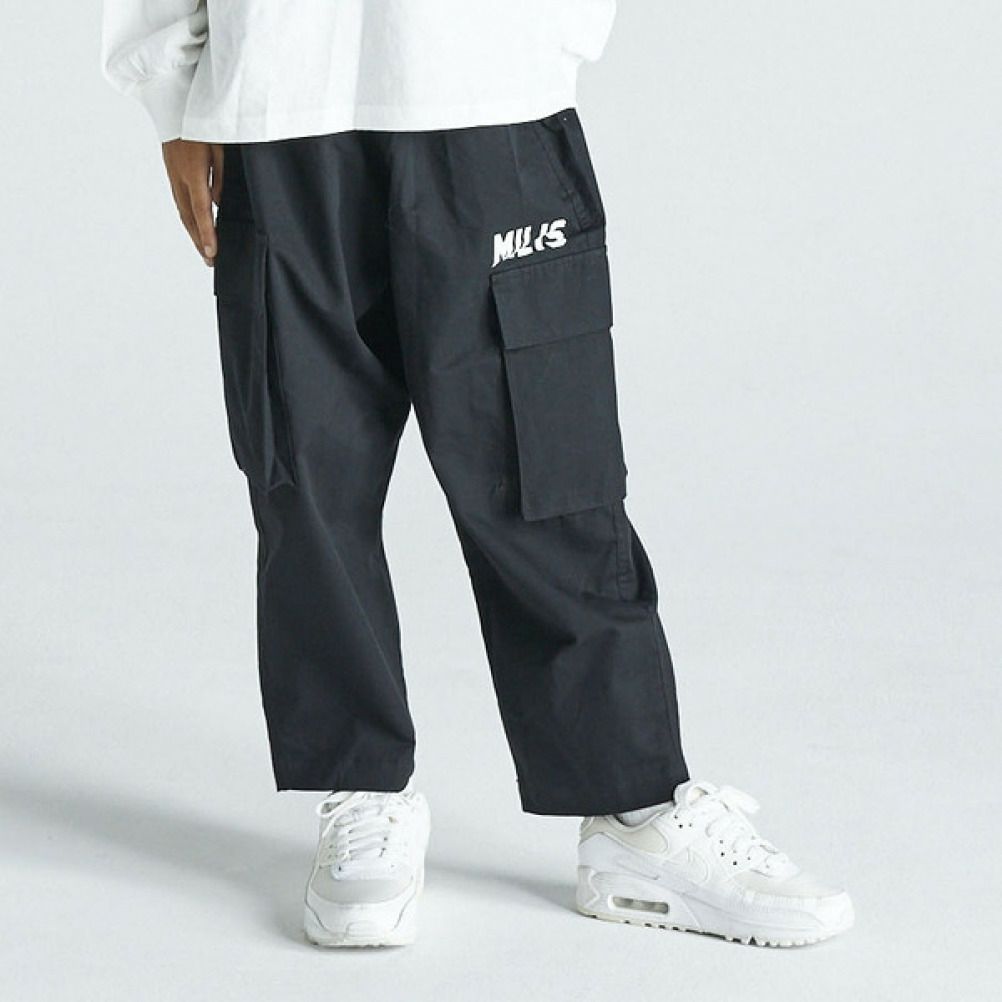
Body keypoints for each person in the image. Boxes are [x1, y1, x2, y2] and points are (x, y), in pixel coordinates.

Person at [101, 0, 853, 949]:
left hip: (488, 85)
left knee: (548, 474)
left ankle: (635, 810)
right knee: (305, 478)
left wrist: (541, 34)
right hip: (280, 95)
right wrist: (172, 93)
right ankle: (364, 791)